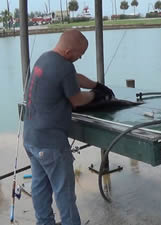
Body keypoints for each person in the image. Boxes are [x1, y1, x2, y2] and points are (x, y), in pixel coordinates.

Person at [23, 29, 107, 225]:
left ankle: (44, 222)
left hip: (32, 138)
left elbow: (73, 77)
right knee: (65, 193)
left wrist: (95, 85)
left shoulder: (45, 59)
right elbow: (77, 100)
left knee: (40, 186)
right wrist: (96, 96)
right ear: (69, 50)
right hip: (51, 143)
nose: (81, 56)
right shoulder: (64, 67)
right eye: (80, 53)